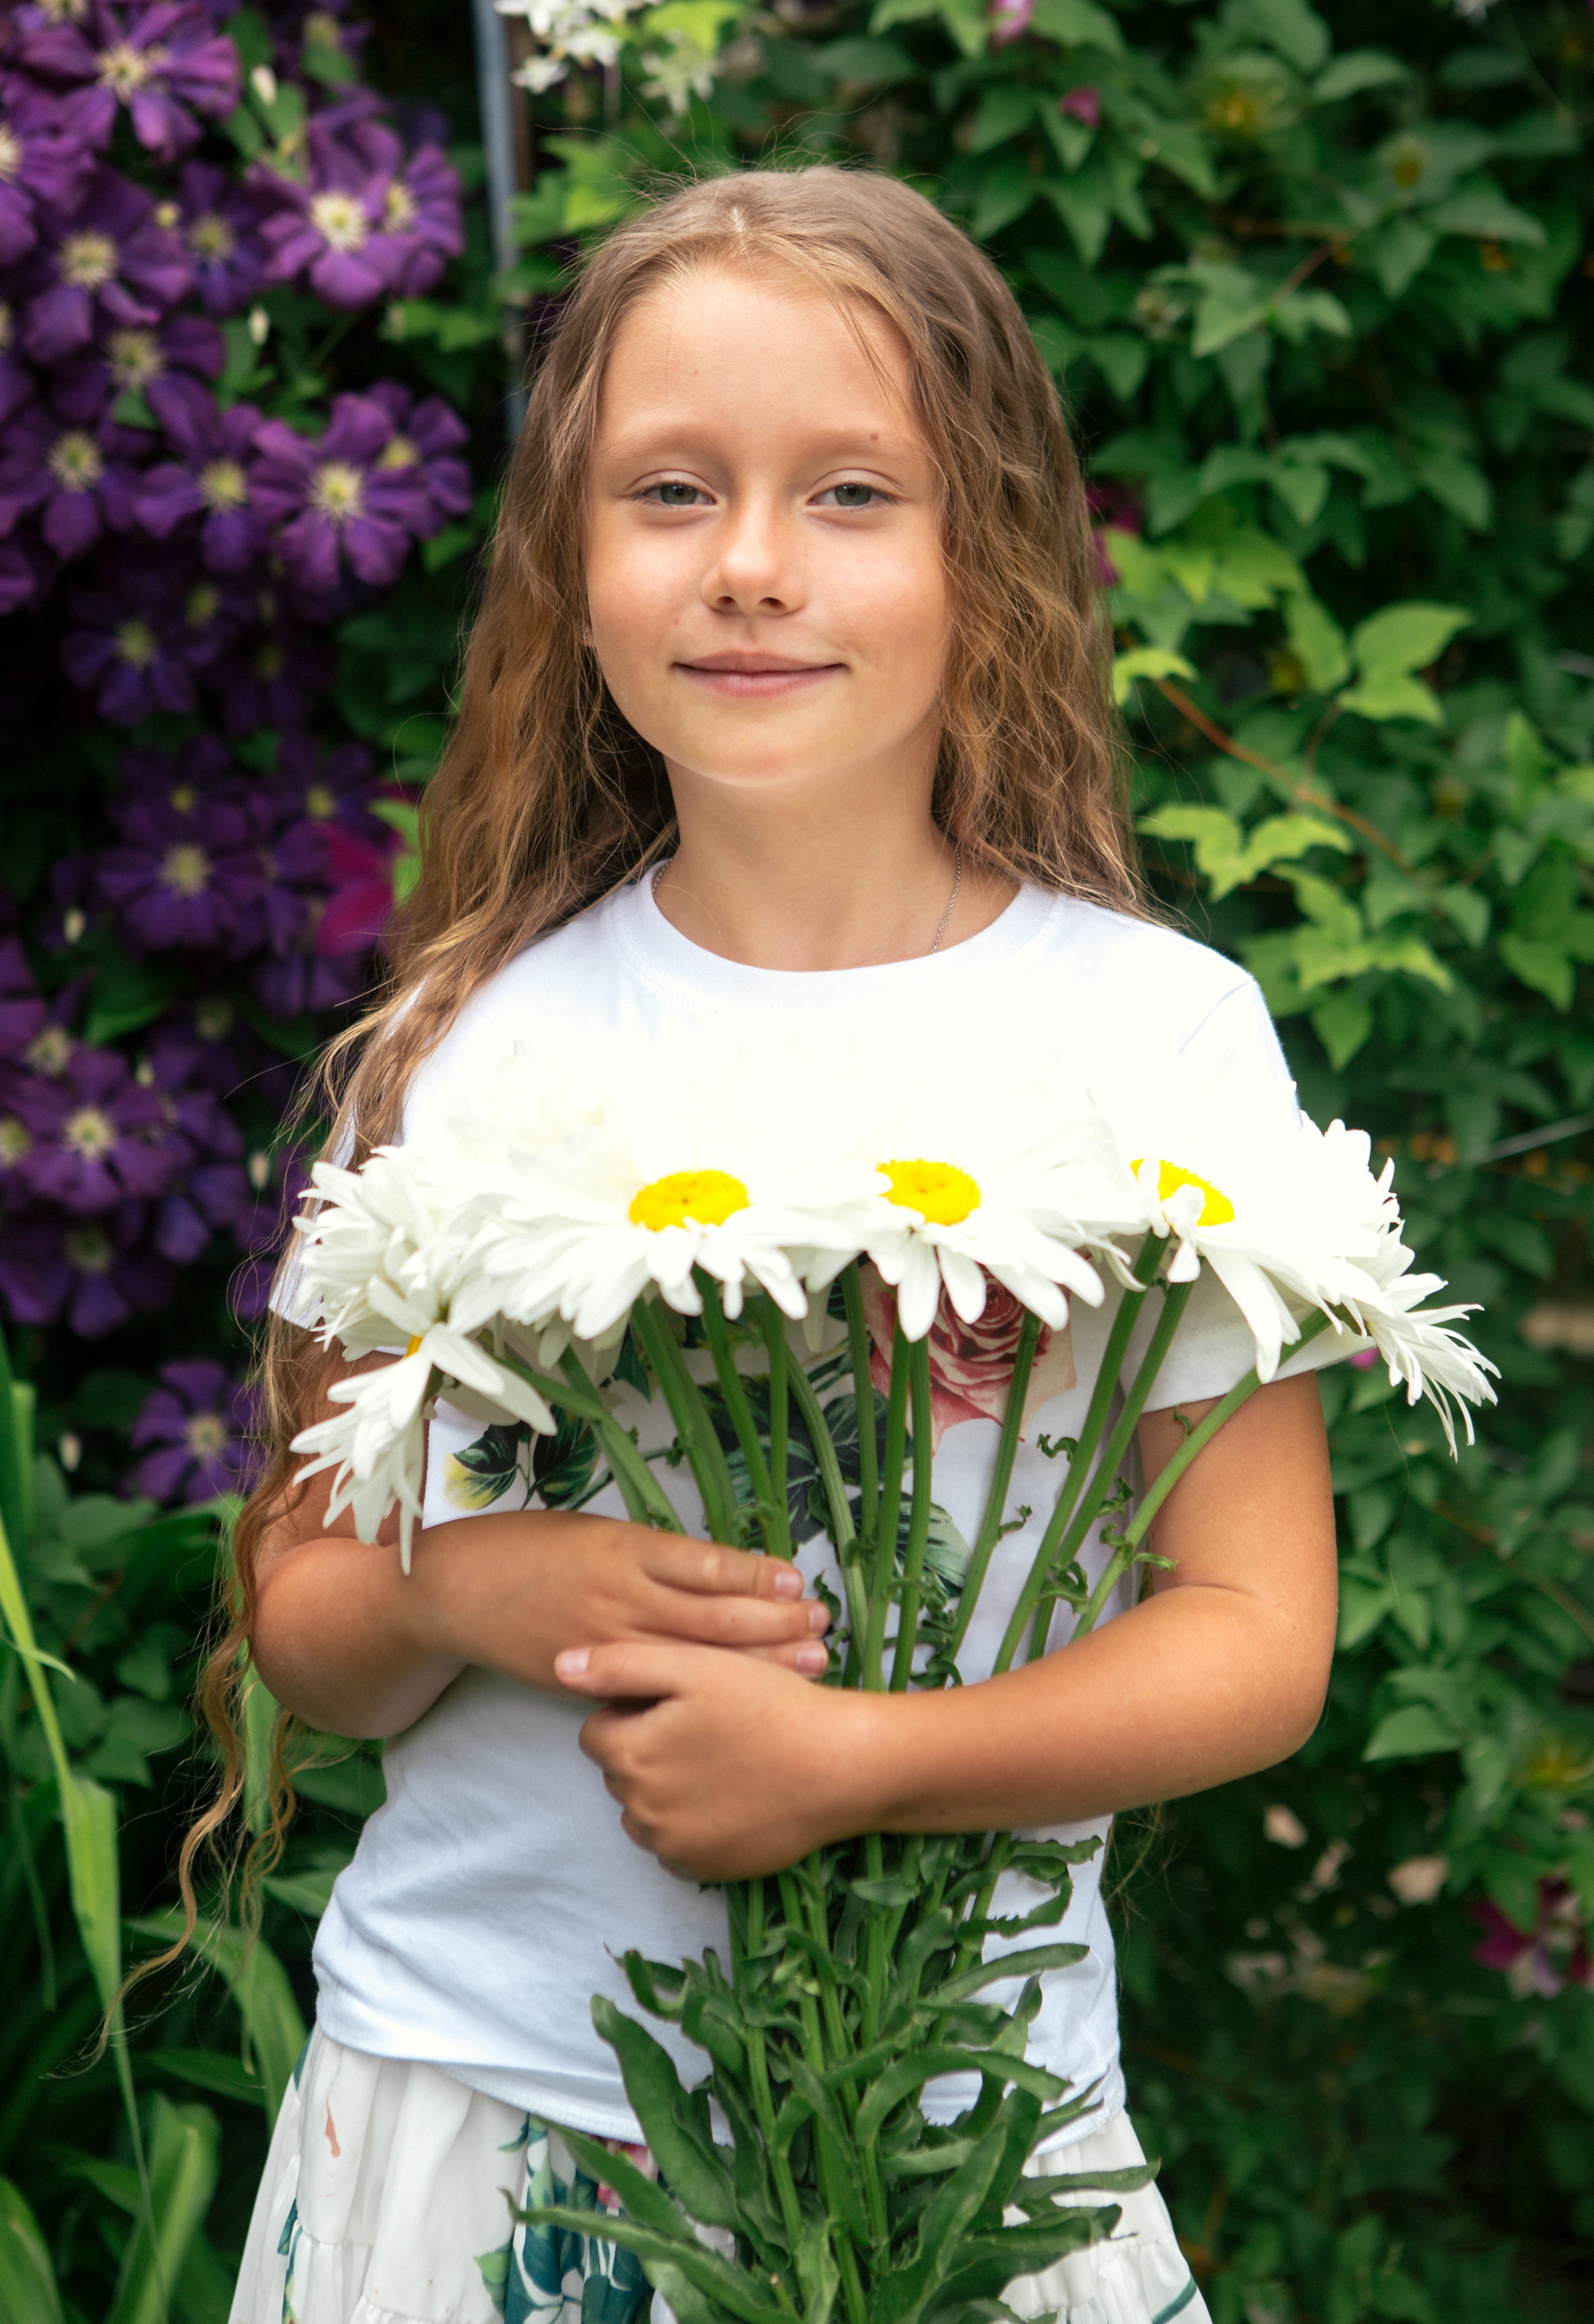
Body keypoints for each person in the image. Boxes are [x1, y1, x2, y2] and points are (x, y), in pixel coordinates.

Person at [216, 167, 1340, 2324]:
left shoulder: (1147, 1043)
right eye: (669, 492)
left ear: (982, 556)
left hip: (963, 2128)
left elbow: (1257, 1637)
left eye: (847, 493)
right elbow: (307, 1620)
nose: (749, 568)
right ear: (573, 569)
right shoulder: (482, 1046)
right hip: (485, 2097)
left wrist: (867, 1768)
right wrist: (474, 1584)